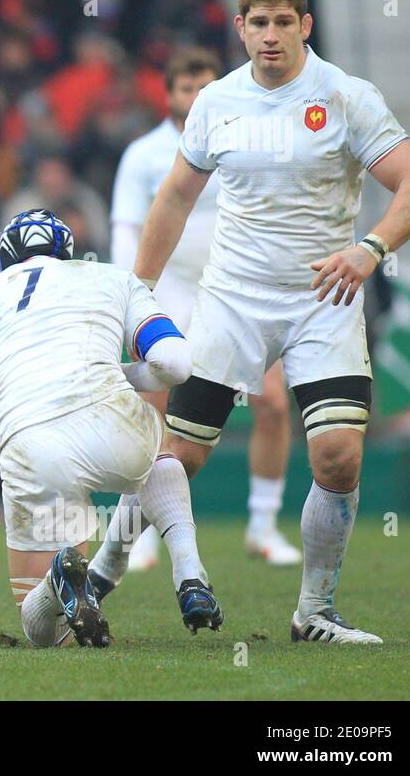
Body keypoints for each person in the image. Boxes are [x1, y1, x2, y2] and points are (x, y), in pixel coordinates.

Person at [103, 0, 410, 644]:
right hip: (232, 301)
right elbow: (172, 199)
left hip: (324, 298)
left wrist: (368, 250)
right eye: (259, 22)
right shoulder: (218, 101)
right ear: (240, 27)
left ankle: (313, 612)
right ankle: (99, 574)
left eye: (285, 22)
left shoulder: (346, 96)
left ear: (305, 26)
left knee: (339, 456)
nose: (272, 35)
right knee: (180, 456)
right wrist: (135, 293)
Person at [0, 209, 221, 648]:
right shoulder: (112, 277)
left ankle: (62, 579)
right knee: (155, 459)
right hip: (111, 422)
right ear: (68, 254)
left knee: (46, 632)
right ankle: (189, 573)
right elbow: (175, 364)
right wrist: (119, 375)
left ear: (5, 262)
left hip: (31, 449)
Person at [110, 47, 300, 570]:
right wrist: (135, 301)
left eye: (203, 88)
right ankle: (141, 534)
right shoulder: (143, 155)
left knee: (273, 403)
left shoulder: (247, 140)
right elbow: (126, 231)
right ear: (168, 94)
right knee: (155, 415)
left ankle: (263, 526)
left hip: (240, 292)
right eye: (185, 89)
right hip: (169, 294)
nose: (195, 99)